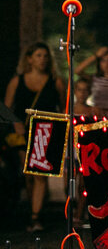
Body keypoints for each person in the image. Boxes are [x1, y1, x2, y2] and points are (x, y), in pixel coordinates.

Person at [4, 42, 66, 232]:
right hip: (23, 131)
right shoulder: (18, 80)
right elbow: (7, 107)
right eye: (38, 55)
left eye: (45, 56)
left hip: (46, 130)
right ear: (30, 59)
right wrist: (15, 124)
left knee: (39, 174)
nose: (43, 59)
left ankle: (35, 216)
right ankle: (35, 210)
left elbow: (63, 107)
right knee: (28, 175)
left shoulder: (55, 81)